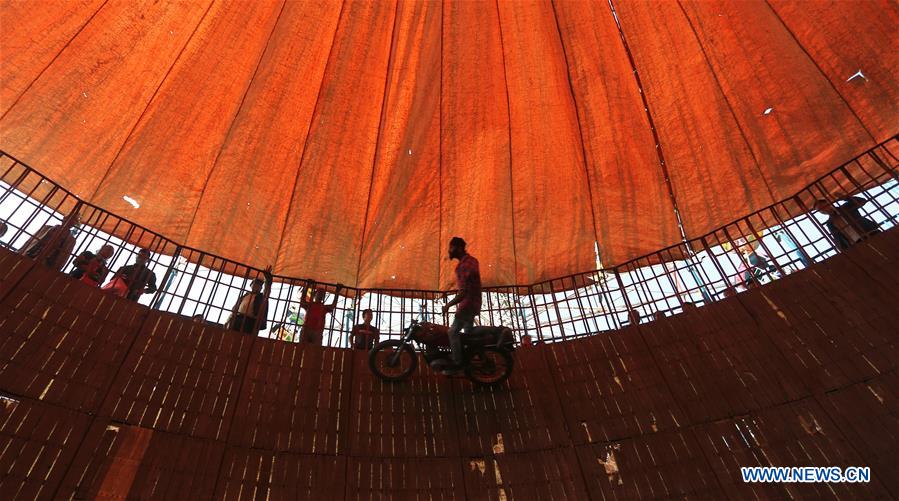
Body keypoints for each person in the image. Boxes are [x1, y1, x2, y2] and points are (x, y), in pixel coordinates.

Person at [441, 236, 482, 375]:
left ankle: (457, 363)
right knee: (469, 332)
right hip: (473, 303)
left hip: (467, 304)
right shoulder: (470, 262)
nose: (449, 251)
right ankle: (495, 332)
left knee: (452, 332)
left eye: (451, 247)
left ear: (458, 248)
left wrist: (448, 305)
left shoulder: (465, 265)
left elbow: (464, 292)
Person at [814, 197, 880, 250]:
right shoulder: (830, 223)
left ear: (829, 203)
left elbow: (861, 200)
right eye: (820, 210)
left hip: (870, 232)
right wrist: (845, 250)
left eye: (824, 206)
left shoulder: (845, 207)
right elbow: (838, 238)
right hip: (857, 242)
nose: (823, 210)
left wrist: (844, 197)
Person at [227, 266, 273, 334]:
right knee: (230, 335)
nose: (257, 286)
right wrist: (229, 320)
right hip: (238, 319)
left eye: (259, 285)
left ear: (261, 288)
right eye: (255, 284)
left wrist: (267, 279)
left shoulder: (261, 297)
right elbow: (235, 309)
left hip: (251, 322)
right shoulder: (244, 296)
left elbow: (267, 290)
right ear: (251, 285)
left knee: (246, 340)